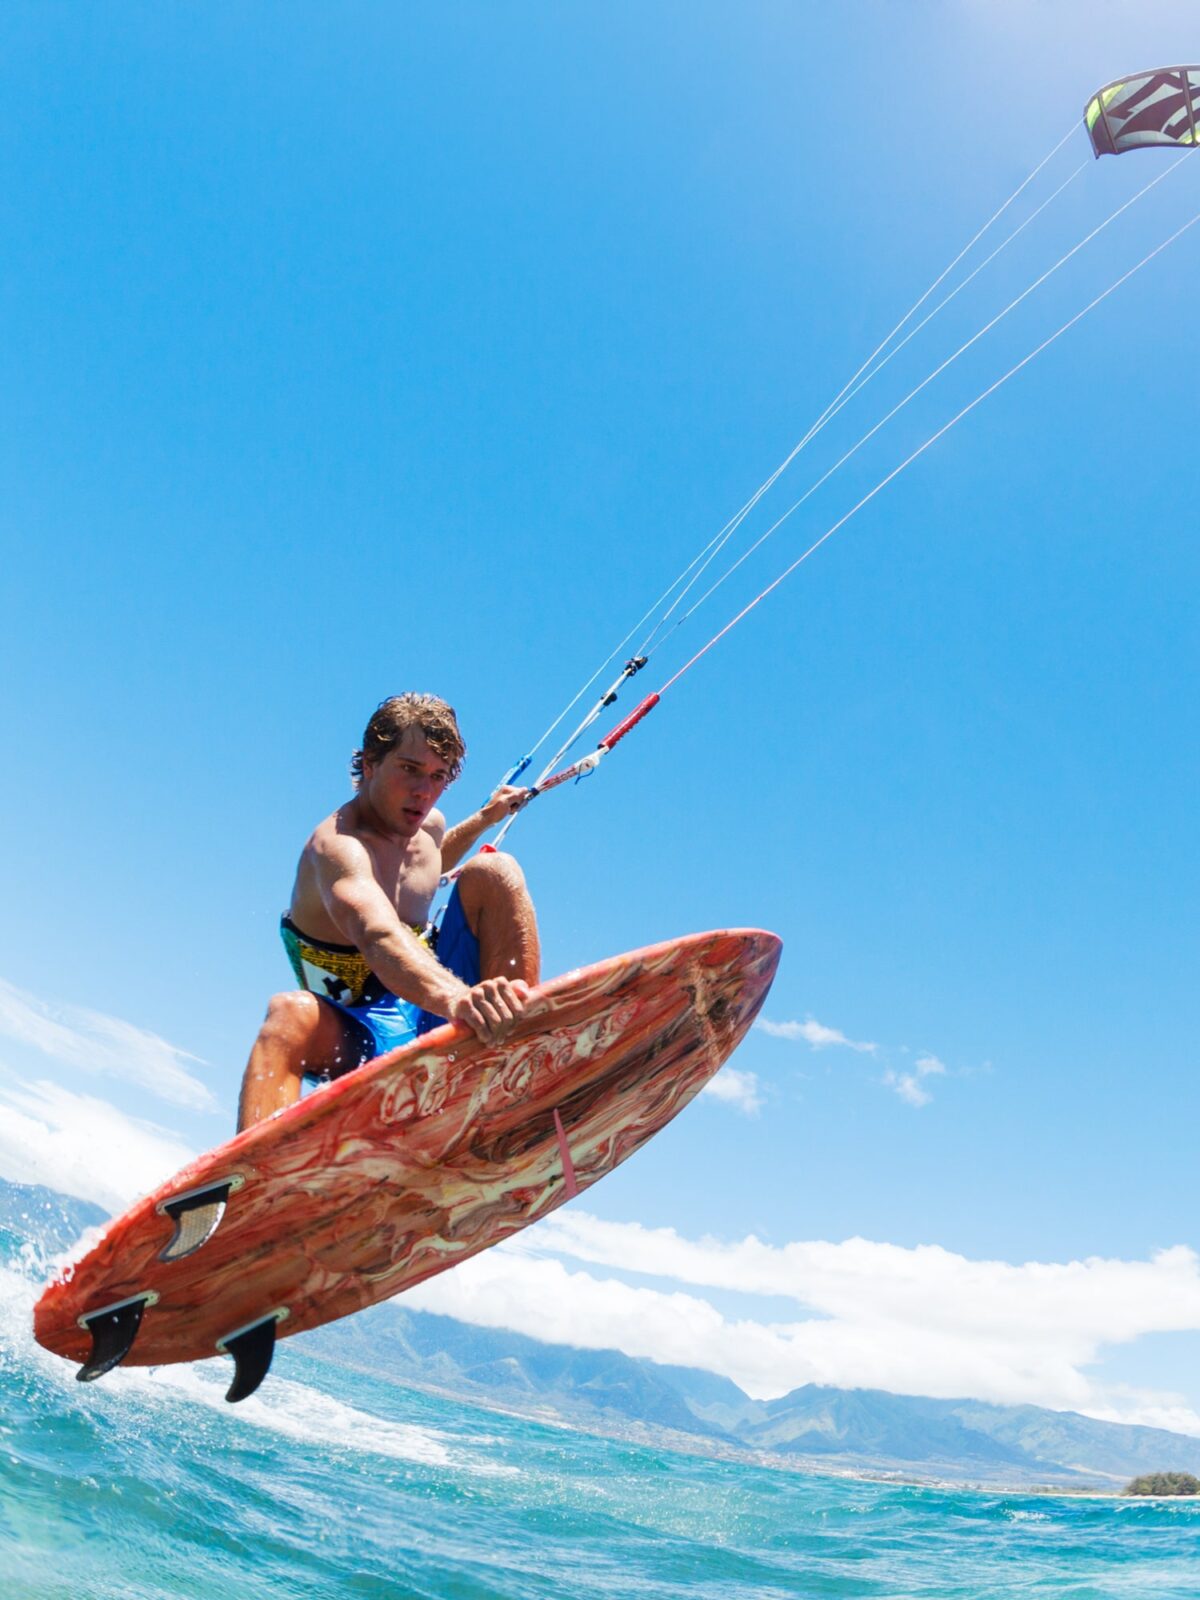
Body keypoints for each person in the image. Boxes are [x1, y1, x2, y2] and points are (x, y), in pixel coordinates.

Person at [236, 693, 539, 1131]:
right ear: (371, 765)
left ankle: (516, 1054)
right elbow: (378, 934)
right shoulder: (339, 848)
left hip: (434, 1013)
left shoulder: (427, 827)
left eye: (438, 776)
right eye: (410, 770)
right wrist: (458, 998)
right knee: (289, 1014)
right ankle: (254, 1180)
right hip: (360, 1034)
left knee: (495, 870)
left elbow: (427, 865)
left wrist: (485, 818)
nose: (423, 791)